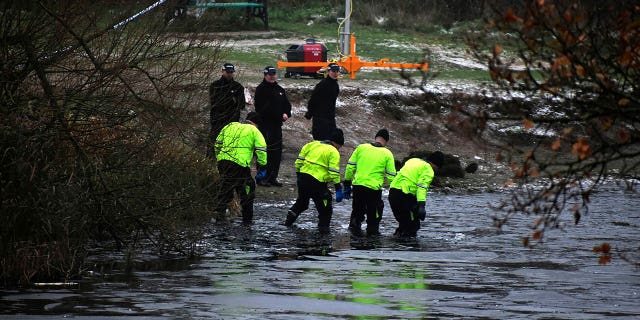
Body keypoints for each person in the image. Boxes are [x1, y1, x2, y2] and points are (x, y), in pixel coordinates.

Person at [285, 128, 345, 233]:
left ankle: (287, 223)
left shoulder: (312, 144)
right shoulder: (333, 151)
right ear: (338, 143)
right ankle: (323, 235)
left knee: (302, 203)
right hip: (317, 183)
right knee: (325, 210)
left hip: (303, 178)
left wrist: (299, 175)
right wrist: (338, 188)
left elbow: (298, 162)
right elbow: (333, 172)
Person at [214, 112, 267, 224]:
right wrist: (262, 165)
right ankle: (247, 221)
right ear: (256, 124)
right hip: (240, 165)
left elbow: (217, 144)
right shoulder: (254, 131)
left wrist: (219, 158)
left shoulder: (230, 126)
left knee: (225, 189)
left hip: (223, 163)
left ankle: (219, 217)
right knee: (247, 190)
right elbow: (261, 150)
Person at [343, 129, 397, 236]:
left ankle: (354, 240)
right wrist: (395, 189)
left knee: (357, 214)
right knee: (374, 218)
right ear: (386, 141)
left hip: (358, 186)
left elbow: (350, 167)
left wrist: (347, 183)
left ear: (376, 137)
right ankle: (372, 243)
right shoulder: (387, 153)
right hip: (373, 190)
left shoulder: (361, 147)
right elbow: (391, 176)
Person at [388, 151, 444, 237]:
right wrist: (422, 206)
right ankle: (408, 248)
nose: (437, 170)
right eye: (438, 168)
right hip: (404, 195)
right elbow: (422, 188)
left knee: (404, 223)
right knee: (412, 226)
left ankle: (397, 243)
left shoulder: (412, 160)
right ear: (436, 164)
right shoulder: (428, 170)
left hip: (393, 193)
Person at [254, 66, 292, 187]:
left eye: (274, 74)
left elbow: (287, 105)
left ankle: (272, 177)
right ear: (265, 75)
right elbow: (260, 108)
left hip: (277, 126)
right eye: (270, 74)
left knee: (276, 153)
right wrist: (278, 115)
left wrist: (286, 113)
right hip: (265, 125)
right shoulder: (261, 89)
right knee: (264, 151)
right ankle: (262, 177)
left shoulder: (279, 89)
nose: (272, 76)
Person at [208, 63, 246, 157]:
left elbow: (241, 105)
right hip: (217, 121)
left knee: (230, 147)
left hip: (232, 122)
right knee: (213, 145)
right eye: (227, 72)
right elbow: (215, 103)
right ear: (222, 71)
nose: (229, 74)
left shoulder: (238, 87)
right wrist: (231, 101)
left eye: (231, 72)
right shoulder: (215, 86)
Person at [304, 63, 340, 141]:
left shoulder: (335, 85)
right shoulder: (322, 84)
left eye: (337, 71)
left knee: (330, 139)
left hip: (330, 117)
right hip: (320, 117)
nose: (335, 73)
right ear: (328, 71)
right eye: (333, 71)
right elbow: (313, 99)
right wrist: (310, 112)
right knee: (320, 139)